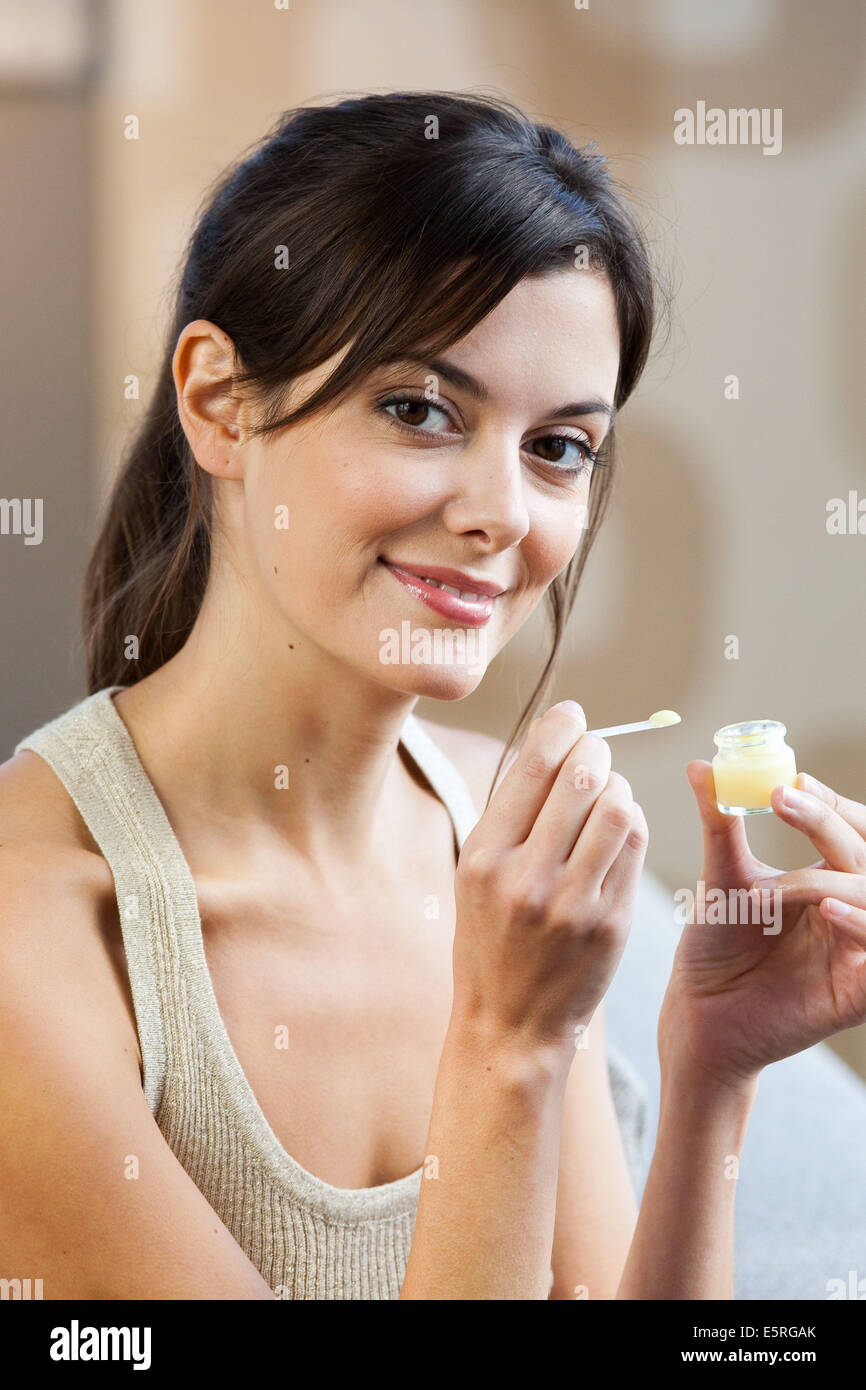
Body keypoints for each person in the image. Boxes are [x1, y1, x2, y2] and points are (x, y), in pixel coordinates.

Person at [2, 91, 864, 1301]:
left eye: (557, 446)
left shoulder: (491, 833)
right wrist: (507, 1046)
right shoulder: (35, 926)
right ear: (218, 401)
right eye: (418, 411)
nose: (500, 512)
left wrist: (710, 1072)